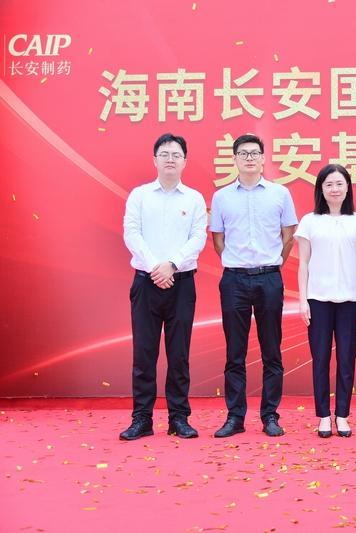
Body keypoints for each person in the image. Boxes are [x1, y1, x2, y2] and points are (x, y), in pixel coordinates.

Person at [209, 134, 298, 438]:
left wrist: (273, 265)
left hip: (269, 278)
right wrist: (237, 263)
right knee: (235, 352)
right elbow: (218, 239)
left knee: (272, 349)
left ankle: (270, 416)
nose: (249, 158)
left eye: (254, 153)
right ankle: (235, 417)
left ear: (263, 159)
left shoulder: (280, 194)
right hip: (234, 279)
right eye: (243, 153)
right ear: (234, 159)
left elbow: (288, 235)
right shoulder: (221, 197)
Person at [120, 133, 207, 440]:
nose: (170, 159)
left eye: (176, 154)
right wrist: (156, 266)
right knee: (144, 354)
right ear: (155, 160)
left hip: (181, 283)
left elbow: (198, 238)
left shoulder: (194, 199)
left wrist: (172, 264)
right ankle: (142, 419)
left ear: (185, 161)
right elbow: (131, 233)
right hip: (146, 283)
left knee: (179, 354)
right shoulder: (140, 196)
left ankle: (179, 418)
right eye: (165, 154)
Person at [295, 164, 356, 438]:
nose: (334, 189)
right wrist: (303, 300)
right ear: (320, 189)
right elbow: (303, 263)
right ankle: (324, 416)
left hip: (351, 299)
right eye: (329, 184)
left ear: (348, 187)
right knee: (321, 359)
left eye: (339, 184)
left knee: (347, 359)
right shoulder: (310, 221)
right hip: (318, 299)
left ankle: (343, 415)